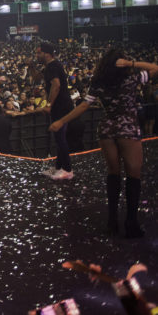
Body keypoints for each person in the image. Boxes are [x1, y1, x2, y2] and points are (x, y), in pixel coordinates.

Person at [51, 49, 158, 238]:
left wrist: (61, 121)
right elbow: (155, 68)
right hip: (128, 127)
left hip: (107, 129)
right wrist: (131, 64)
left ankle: (112, 222)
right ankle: (131, 222)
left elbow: (83, 106)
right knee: (133, 175)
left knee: (113, 174)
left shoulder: (98, 83)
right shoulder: (131, 79)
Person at [36, 43, 75, 180]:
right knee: (59, 138)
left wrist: (48, 105)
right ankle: (59, 167)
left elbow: (56, 85)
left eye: (39, 53)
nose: (37, 56)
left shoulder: (52, 66)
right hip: (62, 106)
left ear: (47, 54)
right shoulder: (53, 65)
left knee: (60, 138)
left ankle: (67, 170)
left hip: (60, 106)